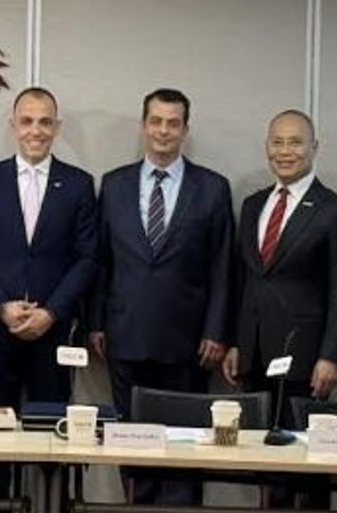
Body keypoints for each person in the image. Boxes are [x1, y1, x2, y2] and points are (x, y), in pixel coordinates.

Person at [89, 88, 234, 507]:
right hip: (124, 334)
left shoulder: (212, 188)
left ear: (185, 130)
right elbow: (101, 261)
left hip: (189, 342)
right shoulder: (114, 184)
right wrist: (96, 322)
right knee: (132, 442)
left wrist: (217, 330)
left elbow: (223, 266)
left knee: (184, 447)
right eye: (156, 121)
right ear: (143, 125)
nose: (164, 131)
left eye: (173, 123)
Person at [0, 86, 97, 500]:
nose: (35, 130)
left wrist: (51, 312)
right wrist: (2, 306)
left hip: (53, 335)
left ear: (57, 127)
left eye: (44, 122)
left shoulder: (79, 184)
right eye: (27, 121)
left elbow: (87, 257)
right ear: (13, 126)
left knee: (51, 440)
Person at [222, 108, 337, 509]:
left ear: (315, 148)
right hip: (254, 356)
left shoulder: (335, 211)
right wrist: (235, 342)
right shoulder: (253, 205)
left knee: (306, 467)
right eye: (277, 142)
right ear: (267, 147)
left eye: (295, 142)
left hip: (306, 361)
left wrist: (332, 355)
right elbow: (243, 280)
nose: (285, 151)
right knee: (263, 463)